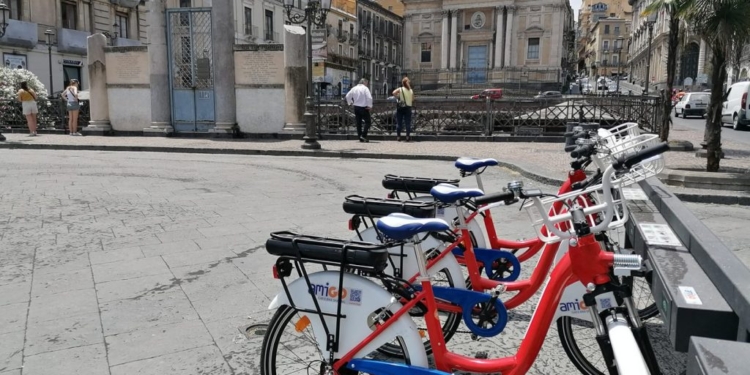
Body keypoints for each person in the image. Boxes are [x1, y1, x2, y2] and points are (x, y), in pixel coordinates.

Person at [345, 78, 373, 142]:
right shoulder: (365, 88)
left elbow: (347, 96)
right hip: (364, 107)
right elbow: (369, 97)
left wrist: (350, 102)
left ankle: (360, 137)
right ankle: (363, 135)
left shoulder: (354, 88)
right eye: (367, 83)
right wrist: (370, 106)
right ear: (364, 82)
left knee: (358, 123)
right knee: (368, 122)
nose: (367, 84)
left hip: (356, 107)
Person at [392, 77, 414, 142]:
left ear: (402, 83)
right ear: (408, 83)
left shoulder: (400, 89)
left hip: (400, 107)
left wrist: (397, 97)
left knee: (399, 122)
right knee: (408, 122)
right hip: (408, 107)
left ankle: (398, 136)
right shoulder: (411, 90)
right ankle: (407, 136)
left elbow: (393, 93)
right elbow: (413, 99)